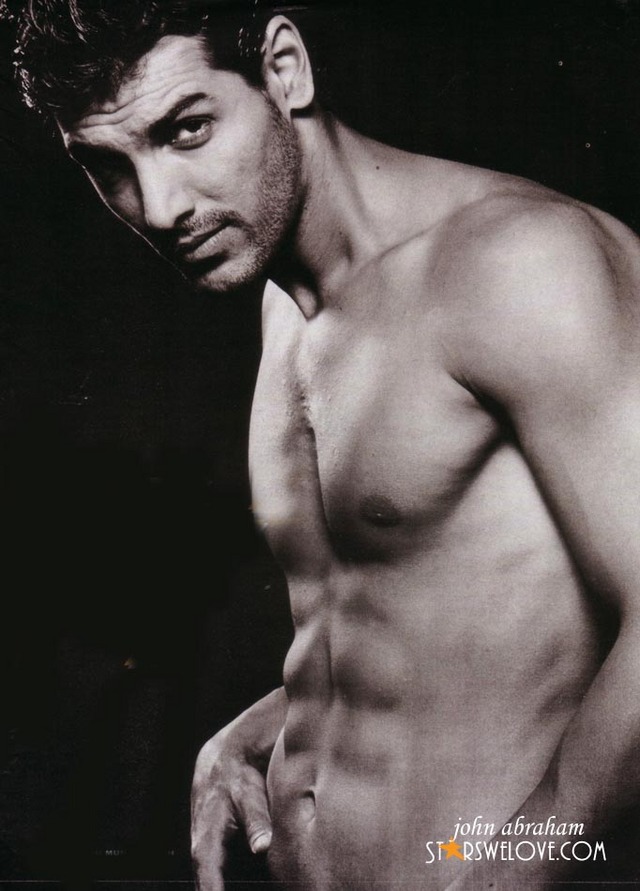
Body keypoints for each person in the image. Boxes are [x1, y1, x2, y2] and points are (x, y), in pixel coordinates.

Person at [5, 0, 640, 887]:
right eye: (109, 165)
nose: (159, 206)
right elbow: (421, 624)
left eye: (187, 130)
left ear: (285, 67)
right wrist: (247, 734)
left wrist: (504, 875)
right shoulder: (286, 303)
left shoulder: (520, 263)